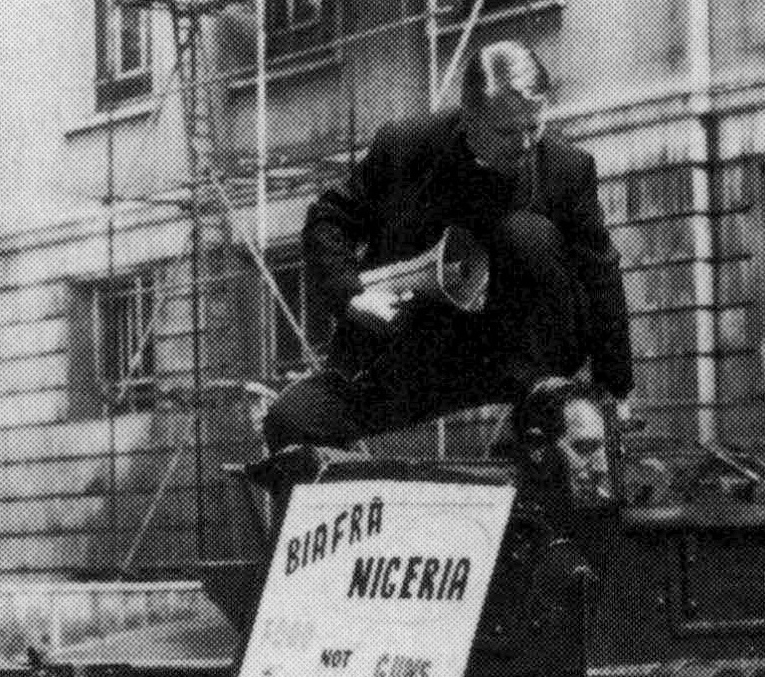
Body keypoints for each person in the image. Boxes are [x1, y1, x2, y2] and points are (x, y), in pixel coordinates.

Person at [262, 41, 634, 452]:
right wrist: (351, 296)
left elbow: (601, 272)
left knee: (527, 234)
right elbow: (328, 218)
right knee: (290, 419)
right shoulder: (404, 147)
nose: (526, 144)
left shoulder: (567, 168)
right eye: (509, 131)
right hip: (425, 353)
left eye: (535, 125)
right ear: (469, 117)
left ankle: (536, 402)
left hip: (525, 354)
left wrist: (613, 391)